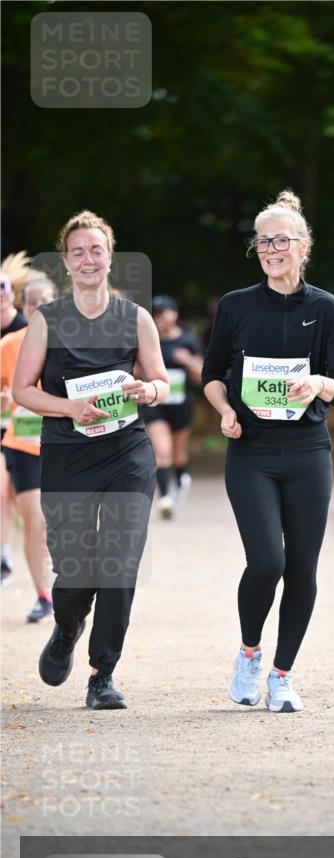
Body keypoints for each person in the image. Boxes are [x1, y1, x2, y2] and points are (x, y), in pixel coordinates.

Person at [203, 189, 334, 713]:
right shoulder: (236, 306)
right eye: (264, 240)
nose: (272, 248)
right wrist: (224, 411)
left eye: (282, 240)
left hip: (310, 452)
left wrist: (319, 384)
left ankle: (282, 675)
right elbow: (211, 376)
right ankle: (248, 653)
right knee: (268, 559)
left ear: (303, 246)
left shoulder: (328, 309)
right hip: (252, 453)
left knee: (304, 569)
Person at [13, 210, 169, 709]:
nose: (87, 258)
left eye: (96, 250)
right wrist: (70, 408)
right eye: (78, 251)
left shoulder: (136, 318)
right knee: (76, 569)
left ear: (110, 256)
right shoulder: (47, 320)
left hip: (127, 452)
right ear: (66, 261)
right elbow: (22, 392)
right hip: (67, 453)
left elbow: (161, 381)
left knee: (121, 561)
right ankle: (66, 626)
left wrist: (147, 388)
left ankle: (103, 674)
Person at [0, 275, 57, 621]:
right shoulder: (9, 346)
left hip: (64, 442)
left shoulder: (73, 342)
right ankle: (43, 595)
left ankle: (69, 586)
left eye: (46, 303)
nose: (39, 309)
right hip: (22, 442)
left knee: (58, 520)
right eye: (33, 304)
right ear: (25, 307)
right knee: (34, 520)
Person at [143, 295, 203, 518]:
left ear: (174, 313)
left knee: (178, 455)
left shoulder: (187, 341)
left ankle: (181, 481)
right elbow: (138, 370)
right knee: (163, 451)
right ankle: (165, 498)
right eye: (155, 313)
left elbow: (202, 377)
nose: (159, 317)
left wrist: (188, 361)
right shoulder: (149, 341)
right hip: (156, 404)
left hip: (181, 405)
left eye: (162, 312)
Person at [1, 253, 31, 583]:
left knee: (11, 495)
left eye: (2, 286)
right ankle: (5, 557)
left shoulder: (26, 330)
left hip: (24, 425)